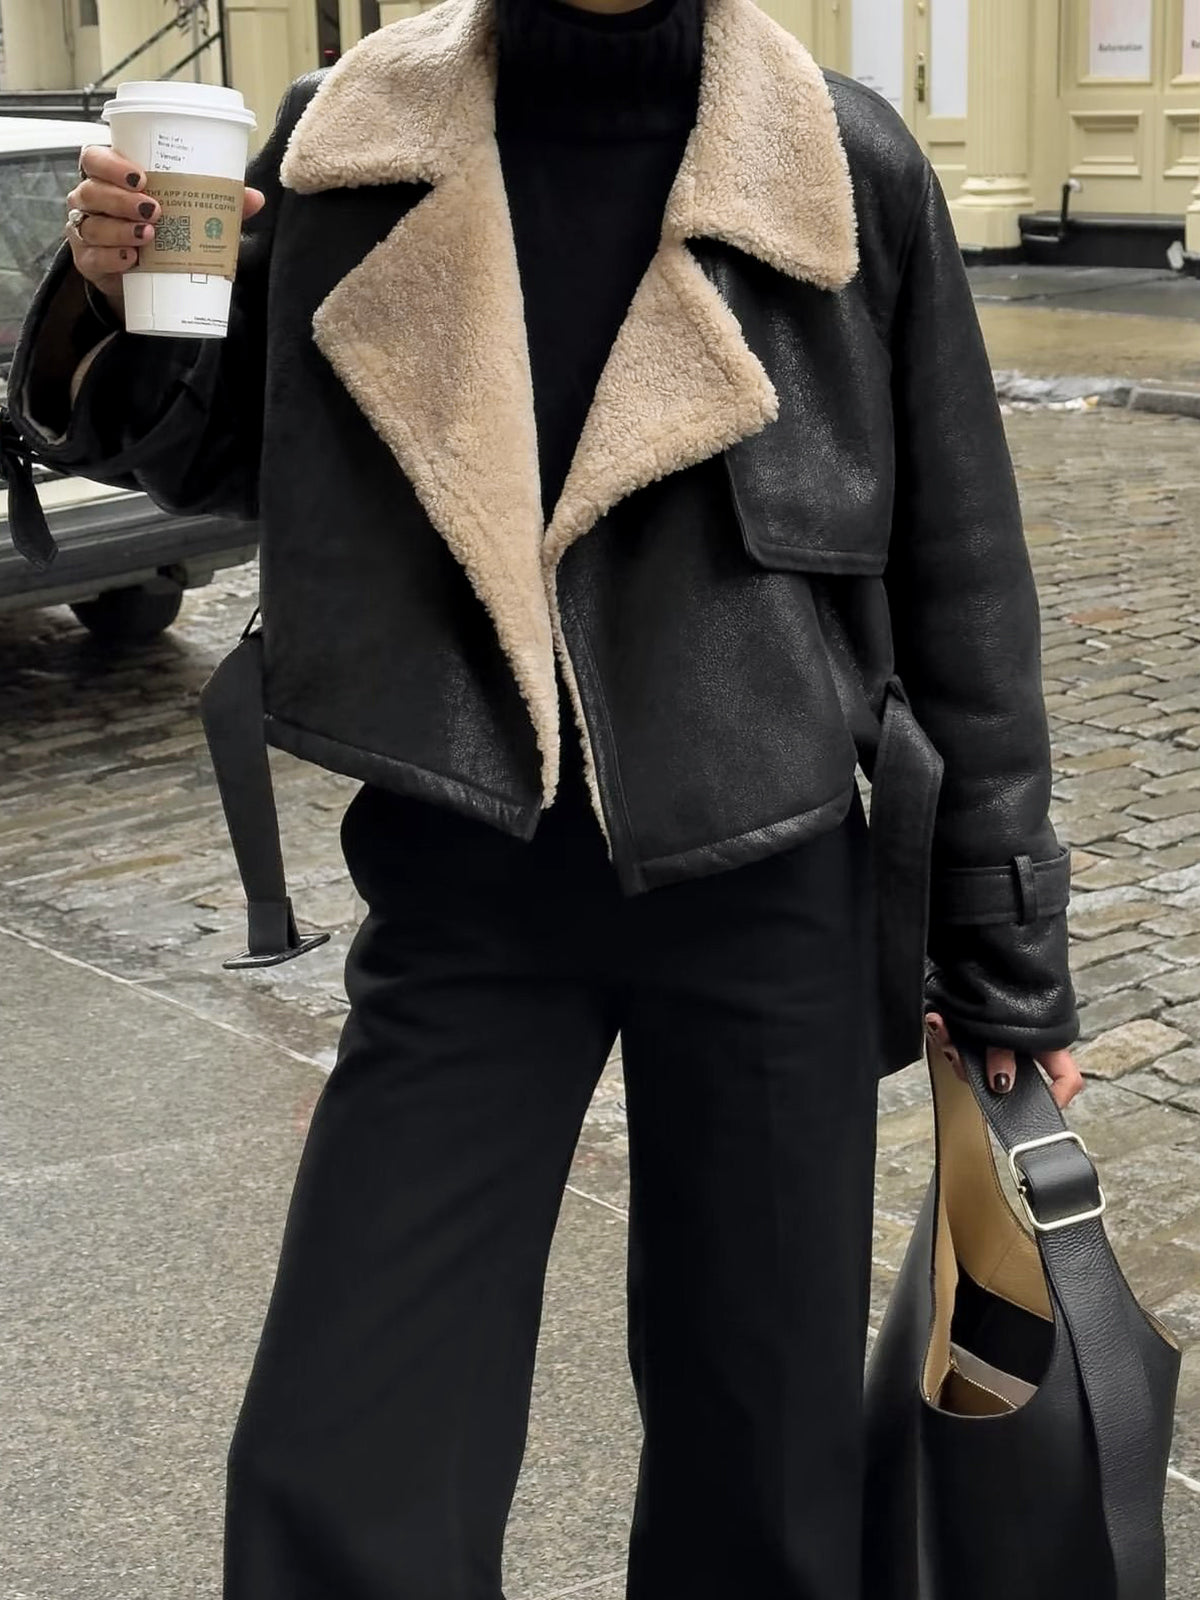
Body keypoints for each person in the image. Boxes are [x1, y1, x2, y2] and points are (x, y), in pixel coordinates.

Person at [4, 0, 1083, 1592]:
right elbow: (223, 460)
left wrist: (1005, 959)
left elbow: (963, 579)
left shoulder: (839, 158)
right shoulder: (348, 137)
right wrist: (117, 301)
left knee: (765, 1478)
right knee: (342, 1461)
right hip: (463, 886)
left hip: (773, 884)